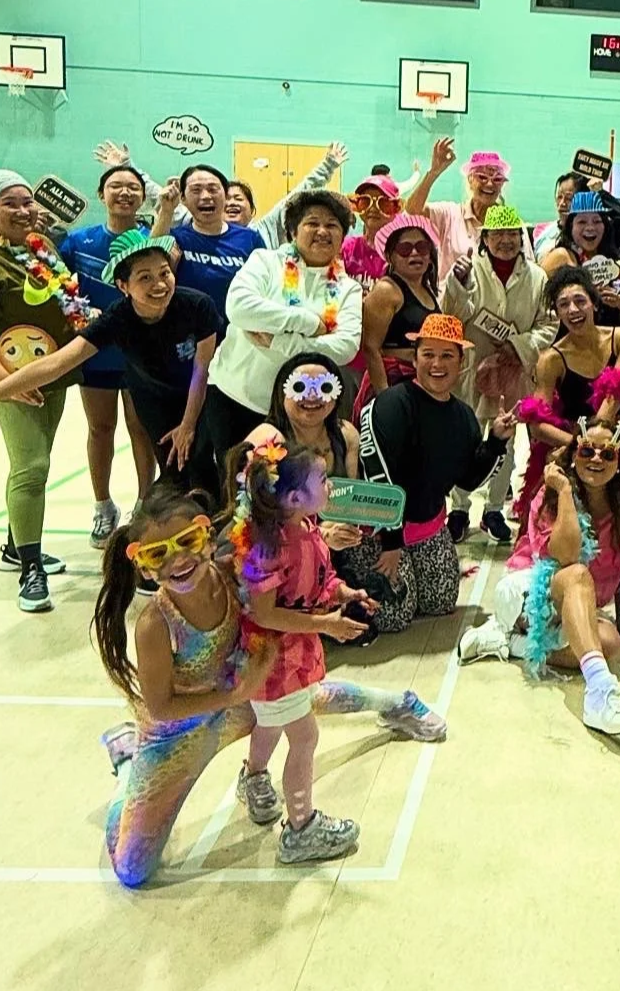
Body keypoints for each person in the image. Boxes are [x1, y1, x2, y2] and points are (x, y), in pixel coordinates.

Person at [94, 486, 445, 887]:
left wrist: (321, 540)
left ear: (206, 538)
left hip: (239, 701)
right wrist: (233, 694)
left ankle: (399, 702)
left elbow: (282, 554)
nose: (178, 560)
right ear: (142, 565)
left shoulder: (232, 573)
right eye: (158, 554)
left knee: (306, 697)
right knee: (132, 870)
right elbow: (159, 706)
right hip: (177, 735)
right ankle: (127, 766)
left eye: (187, 542)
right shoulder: (155, 624)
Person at [0, 232, 221, 497]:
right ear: (123, 286)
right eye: (144, 277)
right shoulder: (117, 320)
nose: (159, 284)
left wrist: (188, 424)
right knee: (175, 473)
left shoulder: (197, 306)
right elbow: (55, 364)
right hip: (154, 401)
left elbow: (202, 369)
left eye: (164, 273)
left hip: (200, 395)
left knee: (205, 468)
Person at [0, 170, 97, 611]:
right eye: (10, 203)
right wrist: (3, 385)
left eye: (28, 201)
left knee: (39, 461)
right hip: (10, 381)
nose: (24, 210)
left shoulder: (41, 248)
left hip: (51, 374)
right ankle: (30, 569)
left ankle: (16, 545)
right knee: (30, 466)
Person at [458, 421, 620, 735]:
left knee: (610, 642)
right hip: (530, 593)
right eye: (586, 451)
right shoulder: (551, 496)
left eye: (607, 454)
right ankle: (599, 690)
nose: (596, 459)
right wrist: (566, 492)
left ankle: (514, 644)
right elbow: (566, 557)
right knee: (577, 573)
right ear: (574, 456)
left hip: (575, 601)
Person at [225, 441, 378, 862]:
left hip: (294, 654)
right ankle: (300, 828)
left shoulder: (307, 528)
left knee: (272, 726)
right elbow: (266, 615)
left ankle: (253, 776)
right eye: (323, 480)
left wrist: (344, 592)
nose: (330, 487)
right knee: (305, 736)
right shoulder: (268, 548)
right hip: (273, 662)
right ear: (293, 498)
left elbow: (317, 581)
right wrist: (325, 625)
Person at [246, 353, 420, 641]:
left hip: (324, 543)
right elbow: (249, 515)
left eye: (324, 387)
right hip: (276, 546)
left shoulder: (346, 434)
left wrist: (353, 530)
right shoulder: (267, 438)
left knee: (392, 611)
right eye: (300, 387)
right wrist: (318, 535)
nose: (312, 397)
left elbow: (347, 502)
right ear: (282, 391)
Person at [358, 314, 518, 616]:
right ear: (414, 359)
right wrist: (391, 543)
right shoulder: (391, 405)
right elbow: (378, 476)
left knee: (440, 602)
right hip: (381, 530)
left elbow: (469, 480)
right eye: (428, 354)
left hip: (428, 526)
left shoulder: (464, 416)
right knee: (395, 616)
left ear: (461, 362)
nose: (437, 364)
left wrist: (495, 441)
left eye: (447, 355)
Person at [203, 191, 363, 464]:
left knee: (285, 495)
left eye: (332, 225)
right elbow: (239, 307)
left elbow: (345, 347)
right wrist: (309, 323)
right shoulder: (265, 262)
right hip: (235, 397)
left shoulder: (348, 288)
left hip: (298, 413)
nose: (322, 231)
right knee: (234, 489)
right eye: (312, 223)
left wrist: (279, 342)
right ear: (292, 231)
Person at [442, 205, 559, 542]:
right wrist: (458, 284)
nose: (506, 241)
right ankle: (459, 508)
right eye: (498, 235)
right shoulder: (469, 271)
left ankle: (494, 509)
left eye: (512, 235)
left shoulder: (537, 277)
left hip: (514, 372)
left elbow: (548, 324)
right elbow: (453, 315)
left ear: (521, 238)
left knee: (505, 442)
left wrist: (519, 346)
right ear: (486, 238)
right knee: (466, 438)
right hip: (470, 369)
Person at [59, 164, 159, 545]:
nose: (125, 193)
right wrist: (81, 316)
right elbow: (60, 289)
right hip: (96, 354)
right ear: (102, 194)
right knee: (100, 429)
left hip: (140, 353)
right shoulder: (77, 242)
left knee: (141, 429)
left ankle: (144, 503)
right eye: (116, 186)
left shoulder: (151, 239)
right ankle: (103, 506)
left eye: (133, 187)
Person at [518, 268, 620, 537]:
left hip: (614, 446)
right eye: (563, 304)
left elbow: (616, 394)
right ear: (557, 314)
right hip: (571, 450)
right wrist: (577, 446)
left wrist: (594, 445)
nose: (573, 309)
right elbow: (538, 424)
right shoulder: (550, 359)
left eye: (579, 301)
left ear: (594, 302)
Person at [94, 139, 347, 249]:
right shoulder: (186, 224)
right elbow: (155, 195)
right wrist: (126, 167)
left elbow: (297, 197)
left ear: (253, 211)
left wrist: (327, 166)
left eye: (241, 199)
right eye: (230, 197)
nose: (234, 202)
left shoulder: (260, 234)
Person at [404, 139, 530, 283]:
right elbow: (412, 210)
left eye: (497, 179)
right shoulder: (450, 215)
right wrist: (433, 172)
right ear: (470, 179)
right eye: (482, 177)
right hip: (452, 301)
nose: (489, 184)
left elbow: (527, 266)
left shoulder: (512, 225)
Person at [355, 213, 440, 416]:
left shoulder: (428, 290)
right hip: (392, 383)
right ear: (390, 255)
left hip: (423, 383)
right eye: (404, 249)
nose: (414, 254)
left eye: (422, 247)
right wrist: (385, 397)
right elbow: (371, 348)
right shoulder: (386, 290)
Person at [159, 165, 267, 316]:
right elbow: (151, 265)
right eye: (196, 190)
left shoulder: (250, 238)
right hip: (188, 334)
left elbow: (267, 285)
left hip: (237, 333)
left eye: (213, 189)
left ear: (225, 195)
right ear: (183, 198)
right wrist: (167, 209)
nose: (205, 196)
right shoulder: (176, 238)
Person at [540, 191, 620, 325]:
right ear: (570, 227)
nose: (590, 227)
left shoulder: (615, 259)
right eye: (582, 222)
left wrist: (619, 301)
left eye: (597, 221)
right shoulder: (561, 256)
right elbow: (536, 293)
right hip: (573, 338)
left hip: (613, 336)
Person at [340, 173, 403, 290]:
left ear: (397, 208)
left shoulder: (402, 254)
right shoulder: (346, 248)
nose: (373, 208)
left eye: (383, 203)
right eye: (365, 202)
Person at [534, 170, 588, 260]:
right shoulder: (543, 232)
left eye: (569, 198)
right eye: (559, 197)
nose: (562, 203)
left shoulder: (590, 236)